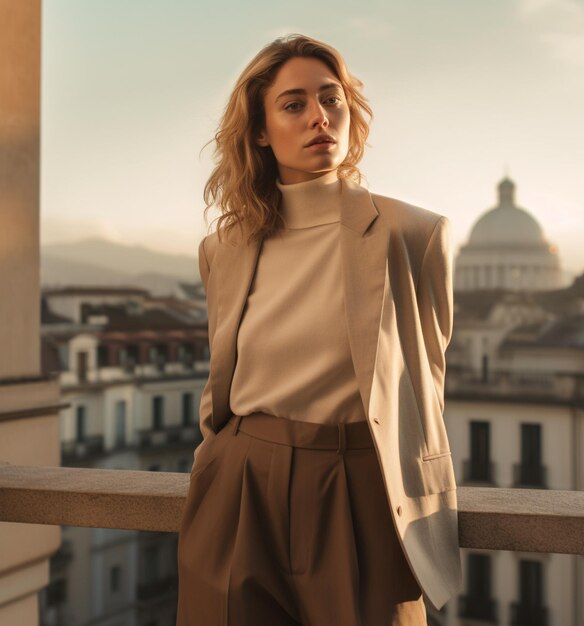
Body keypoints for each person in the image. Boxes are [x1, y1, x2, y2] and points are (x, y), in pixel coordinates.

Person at [176, 33, 462, 626]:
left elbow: (426, 378)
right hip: (240, 486)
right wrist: (212, 468)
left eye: (332, 100)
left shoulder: (415, 235)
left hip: (359, 485)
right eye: (293, 104)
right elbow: (221, 374)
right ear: (259, 130)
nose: (319, 118)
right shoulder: (223, 248)